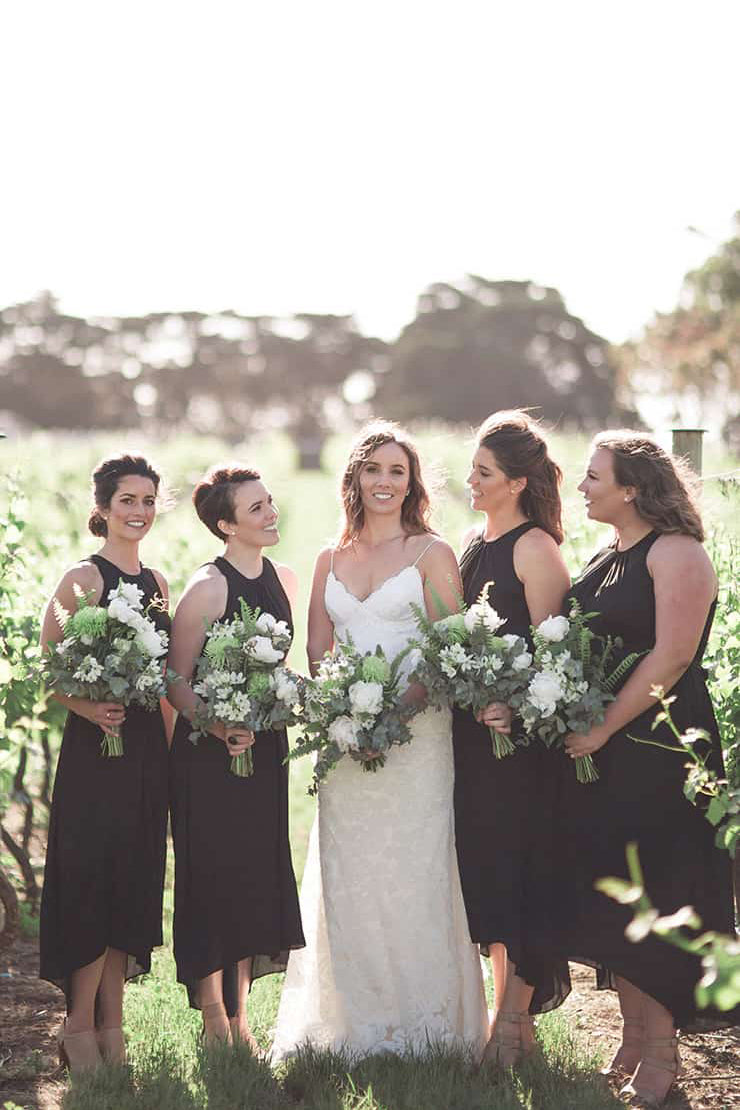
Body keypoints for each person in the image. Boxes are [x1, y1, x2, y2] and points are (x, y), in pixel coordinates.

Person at [271, 422, 488, 1062]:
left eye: (397, 471)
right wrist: (346, 713)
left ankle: (428, 1030)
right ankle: (353, 1024)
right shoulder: (328, 558)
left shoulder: (432, 553)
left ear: (411, 482)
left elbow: (448, 647)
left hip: (419, 739)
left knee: (416, 870)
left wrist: (392, 716)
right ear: (355, 480)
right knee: (349, 872)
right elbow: (316, 646)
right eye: (374, 470)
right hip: (344, 740)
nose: (385, 482)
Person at [552, 432, 739, 1104]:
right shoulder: (609, 554)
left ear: (632, 487)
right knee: (616, 901)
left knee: (658, 897)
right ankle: (633, 1039)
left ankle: (664, 1061)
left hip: (662, 751)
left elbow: (672, 657)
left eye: (593, 476)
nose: (582, 486)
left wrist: (601, 727)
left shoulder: (677, 553)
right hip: (608, 758)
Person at [39, 454, 171, 1072]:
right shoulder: (81, 580)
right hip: (95, 754)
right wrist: (90, 709)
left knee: (131, 882)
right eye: (127, 500)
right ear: (103, 508)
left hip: (142, 752)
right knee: (93, 882)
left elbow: (166, 679)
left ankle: (112, 1027)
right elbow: (48, 669)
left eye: (148, 500)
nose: (139, 511)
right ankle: (76, 1026)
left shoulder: (159, 584)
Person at [167, 464, 304, 1047]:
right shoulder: (207, 588)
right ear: (226, 525)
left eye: (270, 502)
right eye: (256, 508)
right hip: (207, 758)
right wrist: (216, 722)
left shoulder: (285, 579)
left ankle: (243, 1017)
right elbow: (173, 679)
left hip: (265, 750)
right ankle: (214, 1022)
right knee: (212, 879)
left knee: (252, 879)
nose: (270, 513)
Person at [454, 411, 571, 1067]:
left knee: (526, 872)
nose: (470, 480)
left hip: (522, 746)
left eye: (484, 472)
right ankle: (513, 1026)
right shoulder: (473, 543)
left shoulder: (535, 549)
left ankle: (510, 1023)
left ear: (518, 482)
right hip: (475, 744)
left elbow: (557, 656)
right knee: (491, 876)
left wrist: (514, 707)